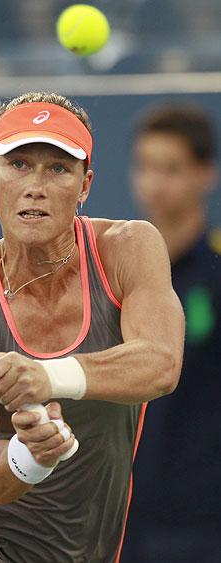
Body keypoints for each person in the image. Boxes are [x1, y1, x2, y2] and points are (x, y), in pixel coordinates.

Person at [0, 92, 185, 563]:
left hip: (88, 548)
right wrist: (29, 455)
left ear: (85, 186)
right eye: (18, 164)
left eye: (58, 168)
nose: (35, 185)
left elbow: (160, 364)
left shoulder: (128, 247)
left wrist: (48, 375)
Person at [123, 103, 221, 562]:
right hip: (126, 519)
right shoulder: (118, 276)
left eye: (171, 169)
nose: (153, 184)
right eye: (144, 167)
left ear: (206, 175)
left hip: (204, 525)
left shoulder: (216, 272)